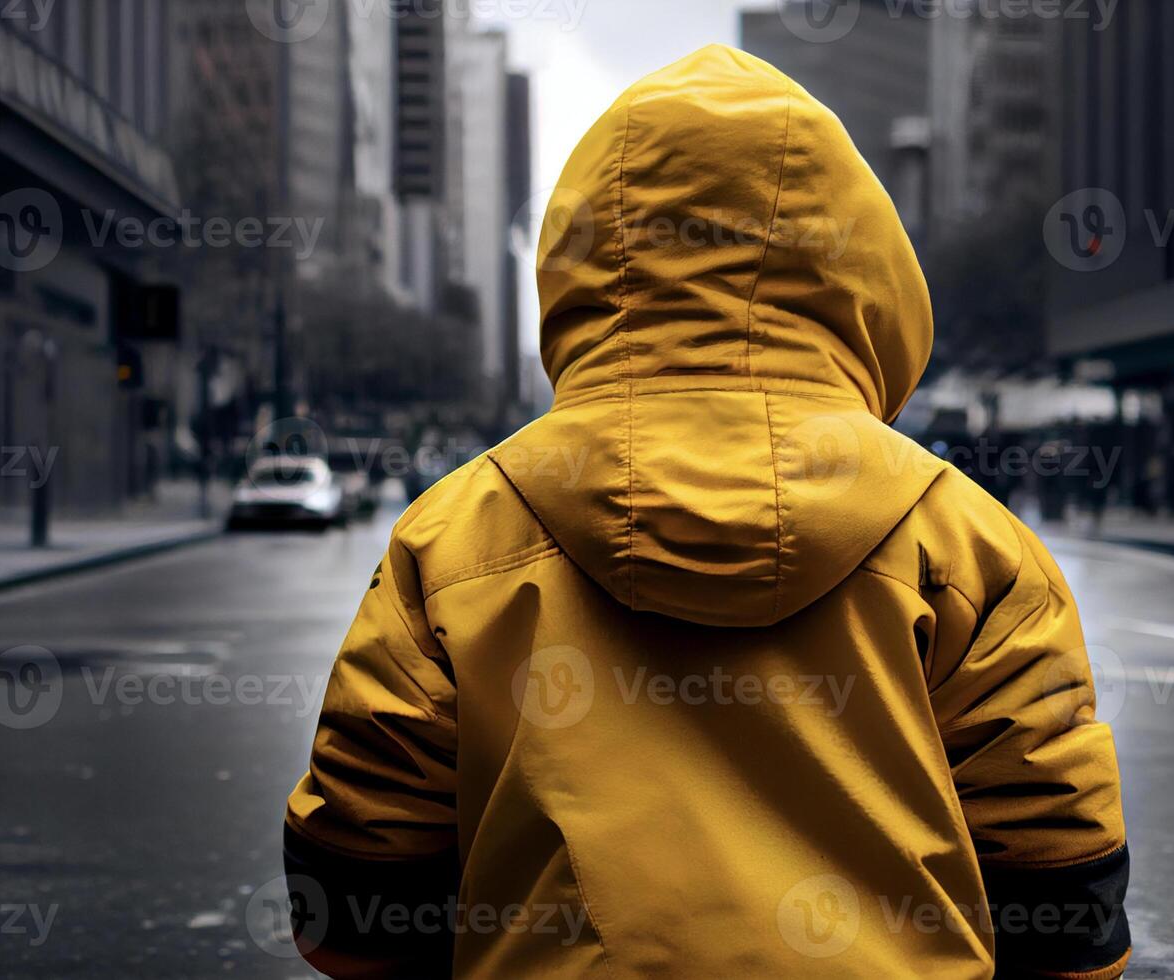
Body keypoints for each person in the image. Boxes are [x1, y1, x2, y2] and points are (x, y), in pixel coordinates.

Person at [285, 45, 1129, 979]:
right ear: (865, 274)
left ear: (583, 264)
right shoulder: (971, 546)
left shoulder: (451, 540)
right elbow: (1066, 897)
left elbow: (352, 897)